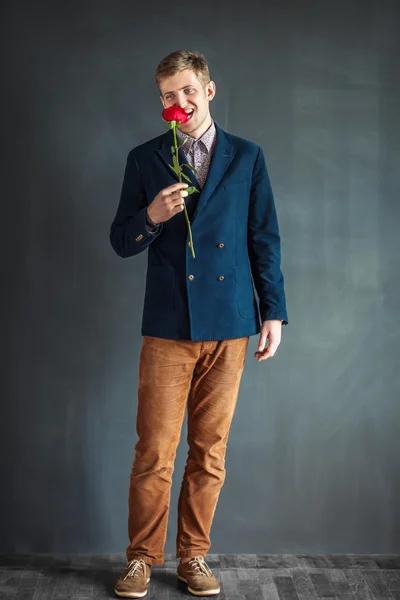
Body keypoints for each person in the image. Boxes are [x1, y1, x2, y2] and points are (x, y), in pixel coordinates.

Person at [109, 49, 288, 598]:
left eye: (187, 90)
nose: (178, 102)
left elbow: (264, 238)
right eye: (167, 95)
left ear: (209, 91)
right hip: (168, 326)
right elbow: (121, 239)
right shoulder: (145, 158)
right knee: (155, 452)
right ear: (161, 102)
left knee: (210, 452)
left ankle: (194, 556)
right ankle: (141, 558)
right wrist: (151, 219)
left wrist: (273, 311)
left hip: (231, 323)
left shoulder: (247, 157)